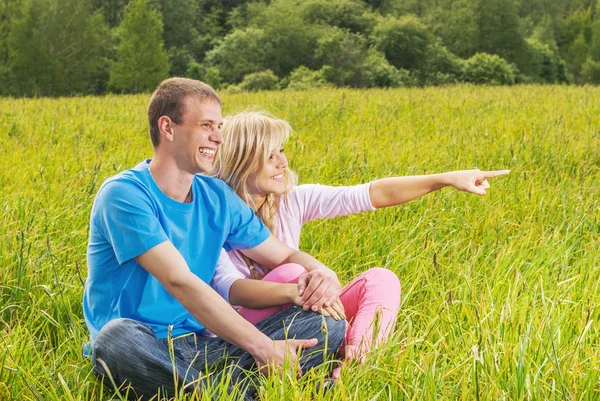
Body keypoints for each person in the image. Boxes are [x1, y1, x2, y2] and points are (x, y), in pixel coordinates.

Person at [83, 79, 347, 400]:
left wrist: (322, 274)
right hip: (144, 347)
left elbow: (284, 256)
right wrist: (263, 348)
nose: (219, 138)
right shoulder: (124, 195)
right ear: (167, 127)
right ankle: (251, 392)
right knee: (115, 339)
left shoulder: (217, 197)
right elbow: (179, 280)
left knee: (325, 323)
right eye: (207, 125)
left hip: (203, 348)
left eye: (220, 127)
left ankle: (217, 392)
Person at [210, 110, 510, 375]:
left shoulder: (292, 200)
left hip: (300, 309)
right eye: (270, 155)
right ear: (241, 160)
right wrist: (297, 290)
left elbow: (369, 194)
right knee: (294, 273)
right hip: (242, 332)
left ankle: (354, 365)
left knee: (381, 279)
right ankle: (332, 349)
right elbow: (231, 289)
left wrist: (446, 178)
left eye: (282, 151)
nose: (283, 163)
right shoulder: (211, 213)